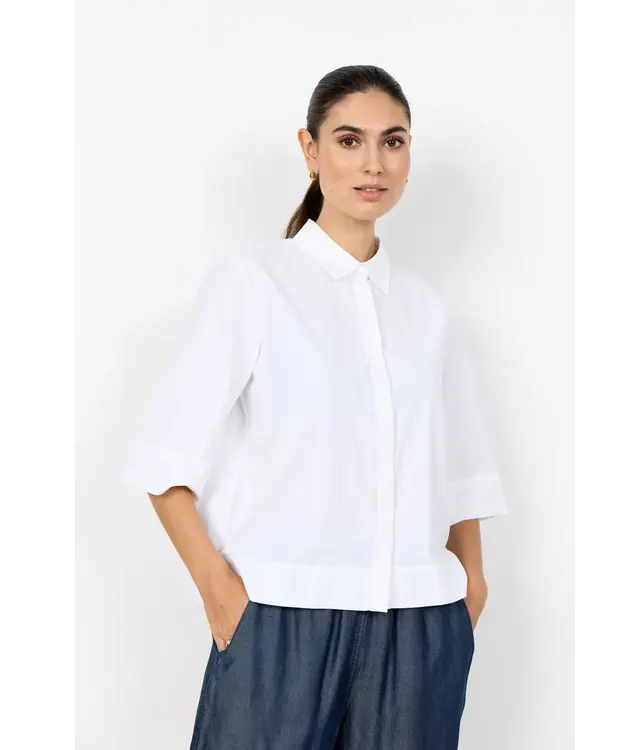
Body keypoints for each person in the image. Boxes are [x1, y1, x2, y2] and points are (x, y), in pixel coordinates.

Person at [124, 64, 508, 750]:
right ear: (310, 150)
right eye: (349, 140)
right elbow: (165, 465)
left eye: (393, 141)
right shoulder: (253, 283)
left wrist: (469, 589)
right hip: (281, 621)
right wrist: (221, 593)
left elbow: (460, 473)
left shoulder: (427, 312)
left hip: (419, 625)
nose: (373, 163)